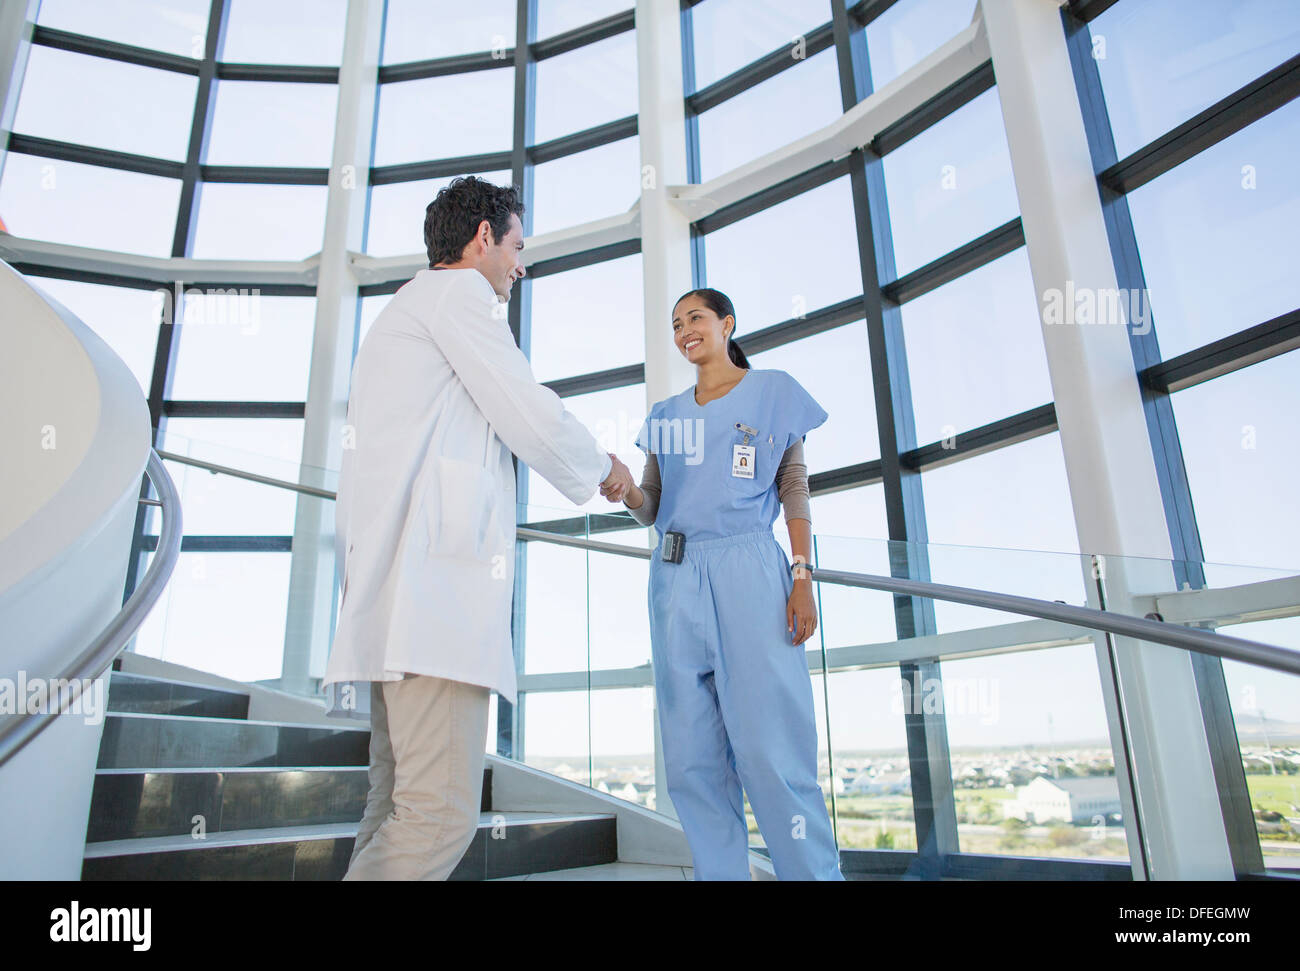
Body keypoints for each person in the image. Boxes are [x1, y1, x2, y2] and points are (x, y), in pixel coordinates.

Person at [324, 176, 634, 880]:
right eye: (517, 246)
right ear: (484, 237)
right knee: (439, 815)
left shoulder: (405, 310)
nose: (520, 265)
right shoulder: (461, 297)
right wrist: (607, 470)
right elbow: (525, 407)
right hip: (432, 605)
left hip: (397, 602)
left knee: (396, 803)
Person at [601, 287, 844, 881]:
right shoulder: (664, 415)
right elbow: (652, 508)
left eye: (697, 318)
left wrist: (802, 573)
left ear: (727, 324)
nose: (685, 329)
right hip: (674, 576)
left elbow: (793, 487)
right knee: (692, 760)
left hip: (750, 572)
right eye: (676, 323)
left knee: (771, 749)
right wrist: (627, 488)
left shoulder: (773, 393)